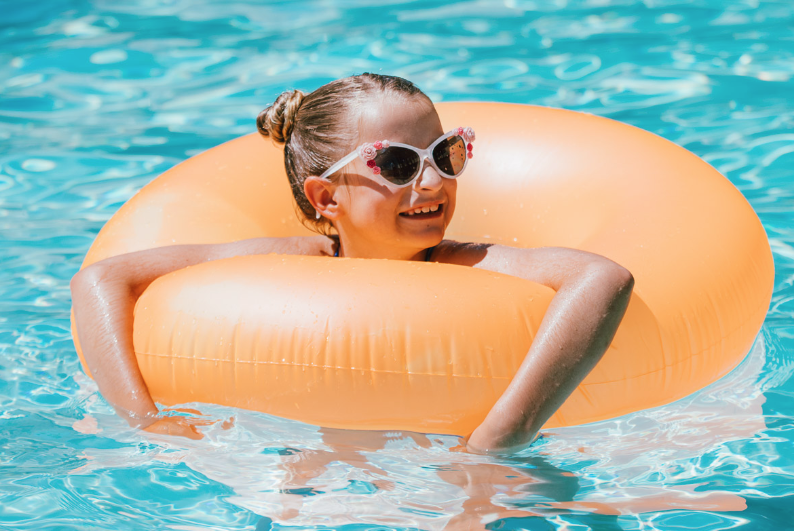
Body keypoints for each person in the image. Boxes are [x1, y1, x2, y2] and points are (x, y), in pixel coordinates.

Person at [70, 73, 634, 454]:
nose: (432, 181)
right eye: (397, 164)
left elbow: (602, 277)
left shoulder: (465, 265)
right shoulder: (285, 262)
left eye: (445, 153)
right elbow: (101, 279)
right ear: (326, 197)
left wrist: (499, 440)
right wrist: (145, 421)